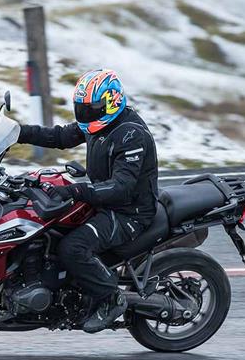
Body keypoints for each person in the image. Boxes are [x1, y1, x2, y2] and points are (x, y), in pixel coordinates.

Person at [17, 69, 159, 333]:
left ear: (111, 102)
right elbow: (59, 136)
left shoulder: (130, 135)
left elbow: (121, 188)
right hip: (103, 200)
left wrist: (76, 192)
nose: (85, 115)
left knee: (72, 247)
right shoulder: (99, 123)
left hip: (129, 212)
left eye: (90, 109)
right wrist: (17, 133)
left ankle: (111, 298)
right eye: (81, 109)